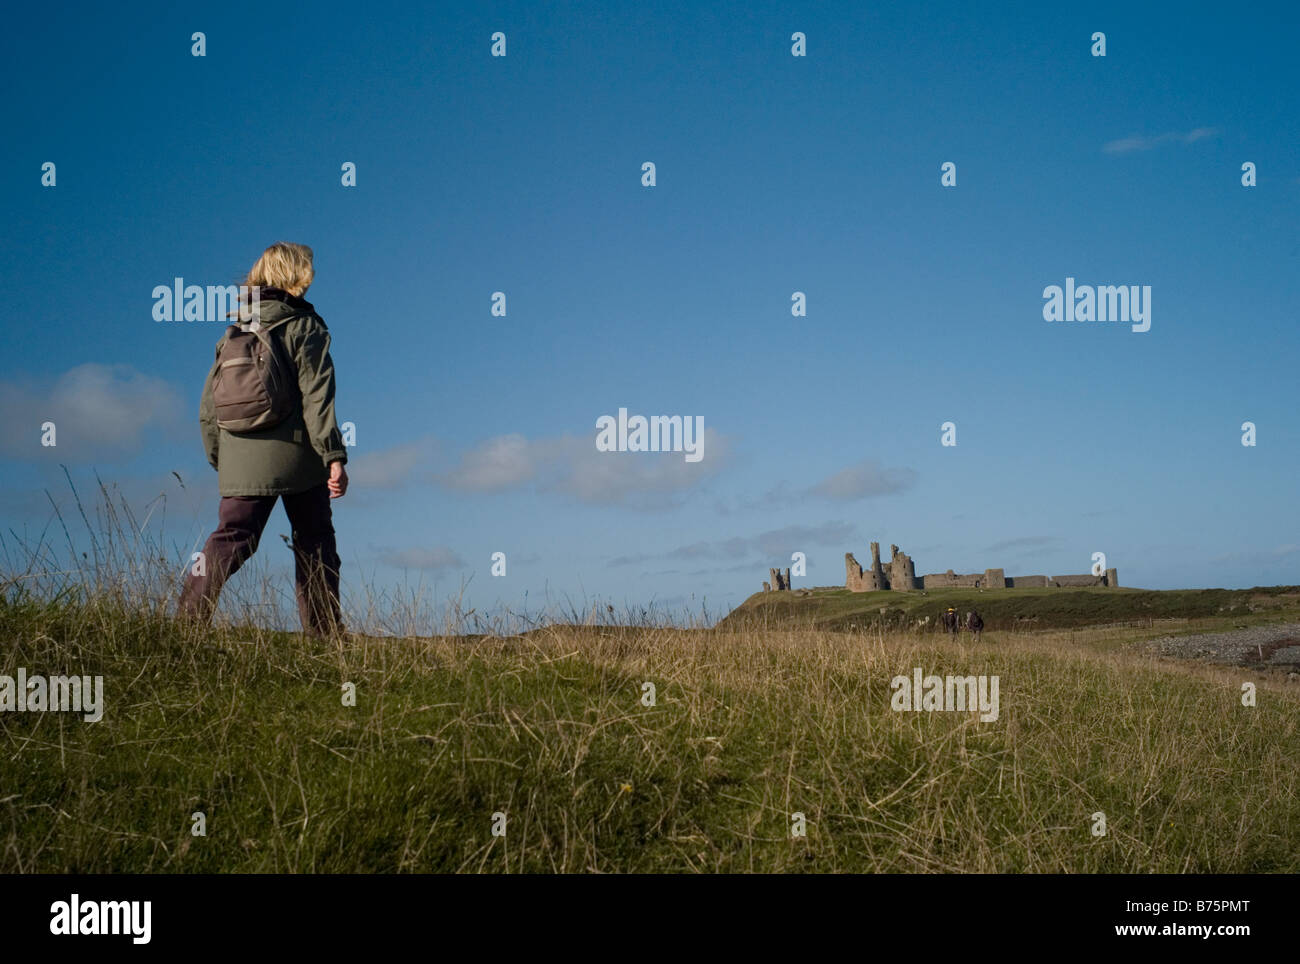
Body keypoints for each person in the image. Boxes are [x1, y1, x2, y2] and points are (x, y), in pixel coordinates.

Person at [177, 242, 349, 637]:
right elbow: (317, 397)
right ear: (296, 276)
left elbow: (208, 407)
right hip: (297, 456)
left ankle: (186, 622)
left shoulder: (234, 330)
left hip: (239, 453)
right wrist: (333, 455)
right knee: (315, 541)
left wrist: (221, 457)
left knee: (232, 538)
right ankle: (323, 635)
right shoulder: (304, 326)